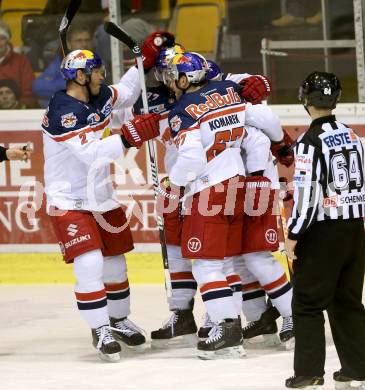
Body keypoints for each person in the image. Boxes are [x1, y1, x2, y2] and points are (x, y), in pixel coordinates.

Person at [42, 35, 168, 362]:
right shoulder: (62, 113)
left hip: (102, 197)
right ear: (81, 77)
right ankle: (100, 329)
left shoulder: (98, 96)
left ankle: (119, 319)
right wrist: (129, 136)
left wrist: (147, 59)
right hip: (69, 200)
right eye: (97, 72)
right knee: (90, 262)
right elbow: (90, 154)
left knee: (115, 264)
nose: (103, 76)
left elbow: (126, 91)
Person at [284, 72, 365, 388]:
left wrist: (294, 235)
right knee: (347, 301)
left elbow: (306, 196)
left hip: (322, 233)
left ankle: (308, 373)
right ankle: (357, 369)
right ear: (336, 99)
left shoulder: (307, 142)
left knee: (306, 302)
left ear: (304, 99)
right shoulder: (352, 135)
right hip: (354, 231)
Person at [32, 24, 93, 108]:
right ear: (68, 44)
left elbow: (95, 88)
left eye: (87, 40)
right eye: (79, 40)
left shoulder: (97, 63)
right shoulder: (61, 62)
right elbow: (38, 86)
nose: (84, 44)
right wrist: (72, 85)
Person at [0, 21, 34, 106]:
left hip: (16, 111)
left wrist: (18, 106)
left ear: (7, 40)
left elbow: (28, 91)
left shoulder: (21, 61)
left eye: (2, 38)